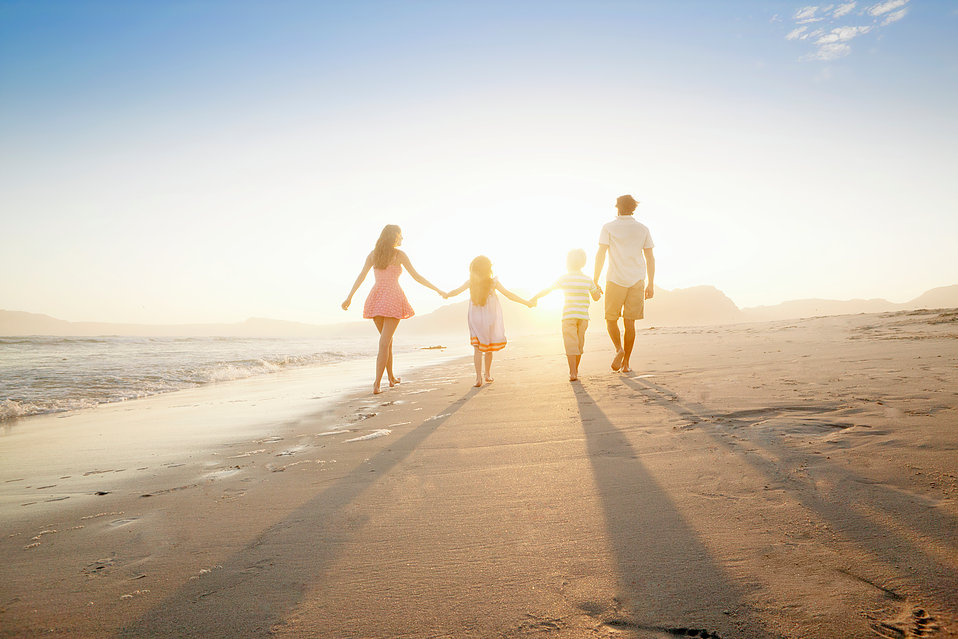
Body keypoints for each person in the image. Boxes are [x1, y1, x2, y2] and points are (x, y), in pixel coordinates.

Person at [342, 224, 445, 394]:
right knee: (384, 342)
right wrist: (438, 290)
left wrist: (350, 297)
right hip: (392, 298)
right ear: (394, 237)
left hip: (376, 298)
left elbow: (361, 276)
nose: (402, 238)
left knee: (386, 341)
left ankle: (390, 378)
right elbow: (417, 276)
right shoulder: (399, 255)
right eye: (400, 235)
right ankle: (376, 383)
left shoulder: (374, 255)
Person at [443, 255, 534, 387]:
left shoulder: (471, 282)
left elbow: (455, 292)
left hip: (475, 318)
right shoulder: (493, 282)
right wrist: (526, 302)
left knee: (477, 348)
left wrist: (445, 294)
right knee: (488, 348)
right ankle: (488, 374)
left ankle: (478, 377)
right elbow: (509, 295)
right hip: (490, 317)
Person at [593, 194, 655, 373]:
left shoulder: (608, 227)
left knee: (611, 319)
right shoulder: (643, 229)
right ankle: (626, 363)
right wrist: (650, 283)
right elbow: (650, 258)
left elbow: (601, 254)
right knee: (630, 323)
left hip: (614, 279)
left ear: (617, 207)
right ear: (634, 208)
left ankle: (618, 349)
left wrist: (595, 280)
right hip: (637, 280)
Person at [531, 249, 601, 381]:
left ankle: (572, 372)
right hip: (583, 317)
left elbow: (548, 289)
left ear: (567, 263)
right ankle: (576, 370)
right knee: (579, 345)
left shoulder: (564, 278)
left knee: (570, 344)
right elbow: (596, 297)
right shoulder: (587, 279)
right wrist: (598, 290)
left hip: (569, 316)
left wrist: (535, 297)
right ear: (583, 263)